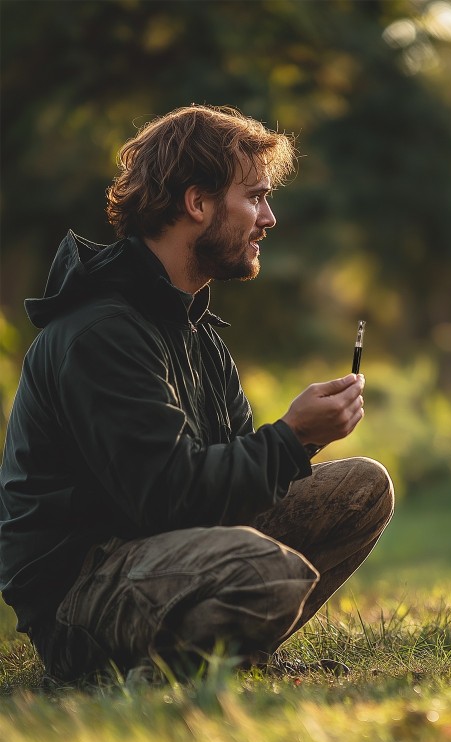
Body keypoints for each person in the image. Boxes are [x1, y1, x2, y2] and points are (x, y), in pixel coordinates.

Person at [0, 105, 394, 682]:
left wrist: (300, 440)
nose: (269, 218)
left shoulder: (198, 333)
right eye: (255, 197)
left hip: (168, 549)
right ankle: (156, 669)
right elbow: (164, 497)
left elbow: (228, 490)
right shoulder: (102, 334)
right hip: (84, 593)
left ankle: (230, 652)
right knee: (266, 571)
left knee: (363, 487)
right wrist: (290, 436)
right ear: (198, 203)